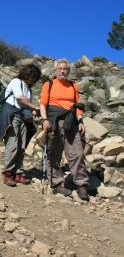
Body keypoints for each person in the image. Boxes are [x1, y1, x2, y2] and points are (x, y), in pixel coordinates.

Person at [40, 59, 89, 201]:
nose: (62, 71)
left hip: (71, 122)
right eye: (60, 68)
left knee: (77, 153)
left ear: (68, 71)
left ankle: (81, 185)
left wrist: (80, 120)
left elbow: (78, 106)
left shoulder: (74, 86)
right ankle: (56, 184)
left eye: (65, 69)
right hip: (53, 122)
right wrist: (44, 120)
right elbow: (43, 104)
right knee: (54, 155)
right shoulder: (48, 85)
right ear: (55, 71)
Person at [0, 64, 41, 187]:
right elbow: (20, 98)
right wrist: (34, 107)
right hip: (12, 116)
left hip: (23, 118)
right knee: (12, 144)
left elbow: (26, 104)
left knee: (21, 146)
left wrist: (34, 111)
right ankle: (8, 173)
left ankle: (18, 173)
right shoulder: (16, 81)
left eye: (35, 77)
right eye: (32, 76)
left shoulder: (28, 89)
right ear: (26, 74)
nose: (33, 79)